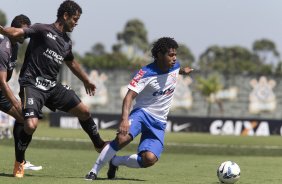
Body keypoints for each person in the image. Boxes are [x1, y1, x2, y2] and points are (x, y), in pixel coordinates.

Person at [0, 0, 106, 178]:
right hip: (32, 84)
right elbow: (19, 31)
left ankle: (98, 144)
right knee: (31, 124)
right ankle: (20, 162)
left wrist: (86, 81)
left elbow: (71, 62)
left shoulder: (66, 42)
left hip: (51, 86)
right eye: (74, 19)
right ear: (65, 16)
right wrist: (3, 30)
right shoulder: (42, 29)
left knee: (84, 111)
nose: (76, 23)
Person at [85, 37, 193, 180]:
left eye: (175, 55)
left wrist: (183, 71)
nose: (174, 58)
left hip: (159, 122)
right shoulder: (145, 73)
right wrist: (124, 120)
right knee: (122, 138)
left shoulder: (175, 66)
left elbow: (176, 70)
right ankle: (94, 171)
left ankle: (115, 161)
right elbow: (128, 97)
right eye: (171, 55)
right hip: (142, 114)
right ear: (160, 55)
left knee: (149, 159)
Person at [0, 14, 42, 177]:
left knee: (23, 119)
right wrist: (15, 101)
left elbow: (7, 77)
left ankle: (20, 161)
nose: (27, 35)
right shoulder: (4, 47)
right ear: (16, 30)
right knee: (21, 113)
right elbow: (3, 81)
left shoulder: (15, 45)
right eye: (25, 31)